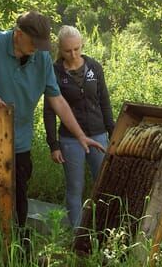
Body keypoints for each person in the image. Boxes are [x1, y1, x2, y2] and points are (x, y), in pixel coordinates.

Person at [0, 11, 104, 229]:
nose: (36, 48)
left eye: (40, 44)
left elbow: (57, 100)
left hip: (20, 141)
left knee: (19, 199)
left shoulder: (42, 57)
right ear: (18, 34)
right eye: (33, 43)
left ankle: (18, 247)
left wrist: (80, 135)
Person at [43, 25, 114, 228]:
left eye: (77, 48)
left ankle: (106, 230)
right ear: (59, 49)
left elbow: (104, 102)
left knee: (104, 185)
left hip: (99, 136)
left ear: (82, 45)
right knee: (75, 187)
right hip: (70, 140)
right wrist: (53, 145)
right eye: (68, 50)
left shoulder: (94, 67)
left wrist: (113, 132)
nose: (73, 54)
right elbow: (49, 111)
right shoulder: (54, 72)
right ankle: (76, 235)